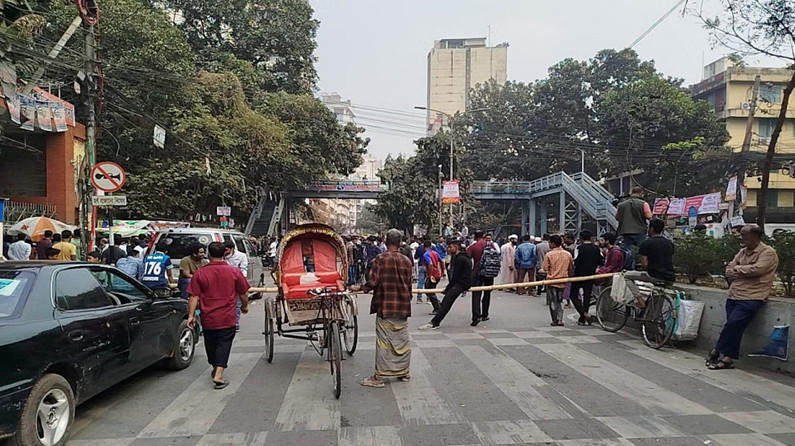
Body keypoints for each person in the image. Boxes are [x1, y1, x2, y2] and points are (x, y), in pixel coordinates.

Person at [706, 224, 779, 370]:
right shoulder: (742, 252)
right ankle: (728, 358)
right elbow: (728, 270)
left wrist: (738, 269)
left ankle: (716, 350)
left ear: (755, 236)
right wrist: (738, 270)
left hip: (752, 296)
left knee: (733, 324)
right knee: (735, 327)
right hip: (734, 294)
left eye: (744, 235)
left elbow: (757, 270)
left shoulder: (768, 252)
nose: (741, 238)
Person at [187, 241, 250, 389]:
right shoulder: (234, 272)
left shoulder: (200, 273)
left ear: (209, 254)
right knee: (224, 343)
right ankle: (219, 374)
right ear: (224, 254)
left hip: (208, 316)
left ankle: (215, 368)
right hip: (227, 316)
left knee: (211, 343)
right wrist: (245, 306)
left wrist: (191, 315)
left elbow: (193, 296)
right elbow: (243, 293)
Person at [356, 229, 414, 388]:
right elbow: (409, 284)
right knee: (401, 340)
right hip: (402, 305)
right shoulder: (407, 261)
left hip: (385, 305)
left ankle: (379, 377)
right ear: (400, 242)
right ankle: (404, 372)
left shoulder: (380, 259)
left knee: (384, 341)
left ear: (386, 241)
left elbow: (373, 282)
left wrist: (361, 288)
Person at [419, 238, 472, 330]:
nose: (448, 249)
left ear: (456, 247)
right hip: (462, 282)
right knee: (445, 302)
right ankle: (435, 321)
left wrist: (448, 289)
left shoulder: (460, 258)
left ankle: (435, 323)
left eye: (450, 247)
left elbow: (455, 277)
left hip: (461, 283)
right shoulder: (462, 257)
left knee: (446, 302)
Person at [570, 230, 603, 325]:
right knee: (587, 296)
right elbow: (601, 261)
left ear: (581, 238)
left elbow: (576, 261)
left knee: (573, 295)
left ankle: (583, 314)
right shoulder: (596, 248)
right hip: (591, 274)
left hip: (579, 274)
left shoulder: (579, 248)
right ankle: (583, 318)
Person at [541, 235, 573, 327]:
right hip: (563, 280)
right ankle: (560, 319)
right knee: (560, 300)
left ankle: (554, 320)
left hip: (552, 280)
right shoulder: (567, 254)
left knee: (553, 301)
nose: (549, 244)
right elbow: (571, 267)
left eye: (549, 242)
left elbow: (545, 268)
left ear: (553, 243)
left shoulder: (549, 255)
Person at [469, 233, 500, 326]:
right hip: (489, 272)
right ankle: (485, 314)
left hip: (477, 272)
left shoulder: (474, 246)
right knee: (487, 293)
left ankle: (476, 316)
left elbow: (467, 257)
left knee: (476, 294)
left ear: (475, 237)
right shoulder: (491, 245)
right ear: (483, 237)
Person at [615, 186, 653, 255]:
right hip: (640, 231)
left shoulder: (621, 205)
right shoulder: (644, 203)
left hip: (625, 232)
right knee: (642, 251)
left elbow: (617, 217)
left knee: (627, 253)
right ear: (641, 194)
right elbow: (649, 216)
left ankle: (628, 265)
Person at [637, 218, 675, 283]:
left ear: (651, 229)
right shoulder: (669, 243)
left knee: (626, 276)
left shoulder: (646, 243)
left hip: (653, 276)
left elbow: (644, 264)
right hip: (670, 277)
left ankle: (636, 293)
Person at [223, 241, 249, 331]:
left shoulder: (241, 256)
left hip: (237, 281)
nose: (225, 252)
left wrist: (241, 281)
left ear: (232, 249)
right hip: (224, 283)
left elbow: (244, 269)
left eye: (226, 250)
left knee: (237, 304)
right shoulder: (221, 256)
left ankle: (236, 323)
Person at [422, 240, 443, 313]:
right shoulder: (435, 253)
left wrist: (430, 275)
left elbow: (430, 264)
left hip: (432, 274)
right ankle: (438, 303)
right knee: (430, 290)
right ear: (431, 246)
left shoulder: (426, 254)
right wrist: (443, 271)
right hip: (437, 274)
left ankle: (437, 307)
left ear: (424, 247)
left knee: (429, 291)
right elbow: (441, 261)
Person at [413, 238, 427, 303]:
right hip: (429, 266)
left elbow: (416, 257)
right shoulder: (432, 247)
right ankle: (429, 297)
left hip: (421, 265)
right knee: (429, 282)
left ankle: (419, 298)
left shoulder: (419, 248)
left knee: (420, 282)